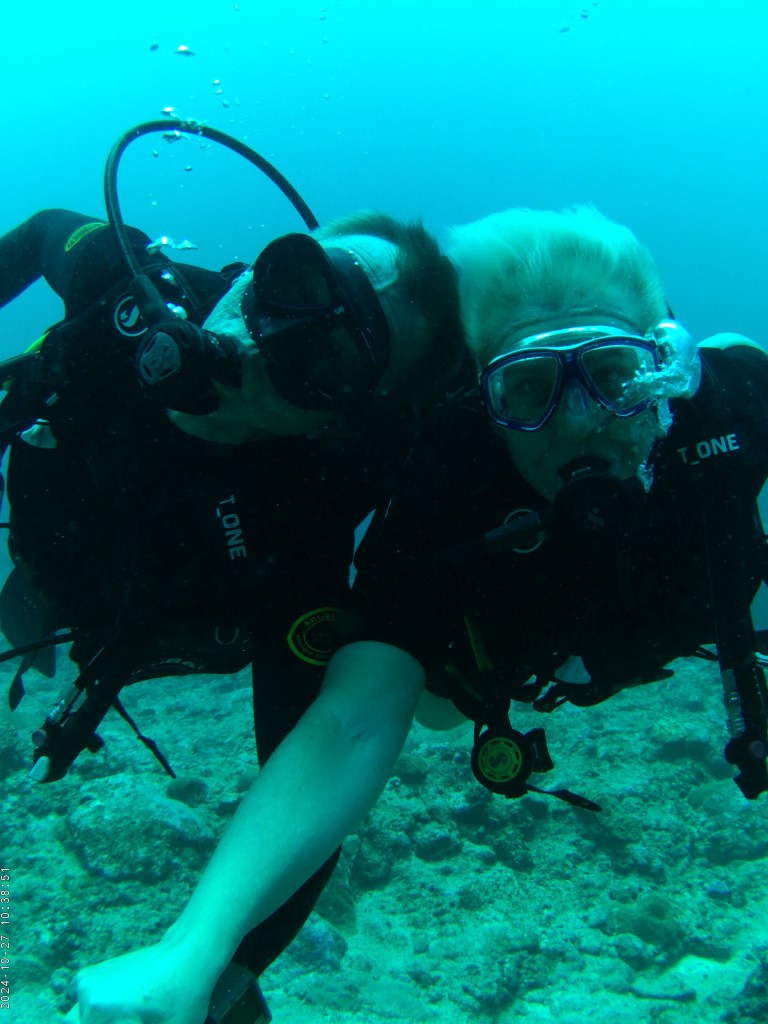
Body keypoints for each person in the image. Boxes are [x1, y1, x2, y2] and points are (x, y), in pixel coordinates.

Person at [0, 204, 464, 1022]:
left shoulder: (299, 535)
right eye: (288, 288)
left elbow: (313, 783)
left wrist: (217, 973)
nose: (258, 341)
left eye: (324, 361)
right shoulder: (131, 288)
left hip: (117, 613)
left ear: (341, 421)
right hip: (41, 555)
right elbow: (43, 234)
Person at [344, 204, 768, 816]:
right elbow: (355, 718)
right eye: (530, 385)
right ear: (488, 405)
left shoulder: (728, 421)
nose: (576, 423)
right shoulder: (448, 481)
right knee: (435, 711)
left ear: (661, 372)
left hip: (692, 599)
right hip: (518, 649)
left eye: (613, 375)